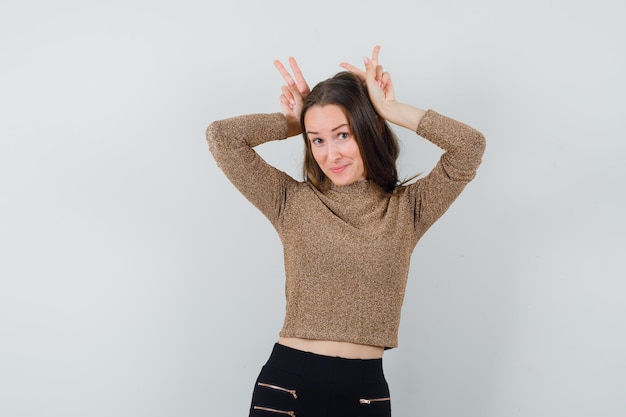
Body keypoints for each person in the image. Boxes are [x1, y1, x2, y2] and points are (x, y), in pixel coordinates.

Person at [206, 45, 486, 417]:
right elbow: (221, 137)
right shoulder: (290, 200)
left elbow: (469, 147)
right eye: (317, 139)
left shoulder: (408, 209)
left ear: (368, 130)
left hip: (364, 392)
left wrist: (389, 108)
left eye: (342, 135)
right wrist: (292, 121)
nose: (330, 154)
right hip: (288, 383)